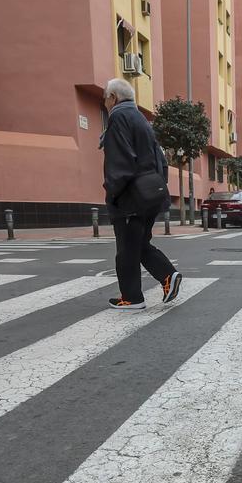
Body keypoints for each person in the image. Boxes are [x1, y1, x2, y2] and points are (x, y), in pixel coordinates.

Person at [101, 78, 181, 310]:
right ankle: (168, 277)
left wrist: (113, 193)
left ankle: (133, 297)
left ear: (113, 98)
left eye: (106, 98)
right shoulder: (142, 120)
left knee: (126, 248)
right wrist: (155, 188)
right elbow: (161, 161)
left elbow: (120, 161)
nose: (105, 103)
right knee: (138, 243)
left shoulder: (118, 117)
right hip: (149, 193)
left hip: (130, 197)